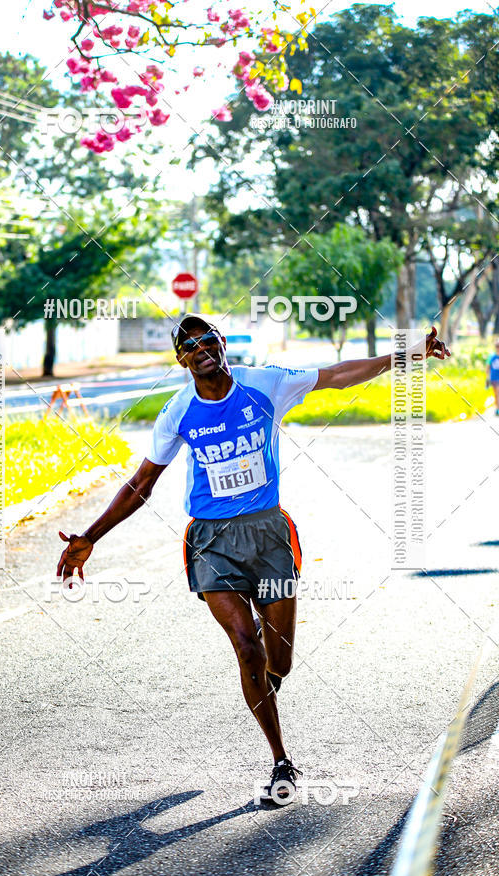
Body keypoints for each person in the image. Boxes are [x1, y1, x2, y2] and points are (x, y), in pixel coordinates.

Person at [57, 316, 450, 802]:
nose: (201, 349)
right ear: (181, 359)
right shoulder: (179, 411)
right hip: (211, 541)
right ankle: (281, 762)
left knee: (277, 660)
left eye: (208, 339)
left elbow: (337, 374)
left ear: (222, 344)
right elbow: (142, 483)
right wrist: (91, 535)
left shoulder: (264, 382)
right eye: (190, 346)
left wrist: (406, 355)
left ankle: (265, 669)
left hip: (267, 534)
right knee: (247, 648)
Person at [486, 339, 499, 416]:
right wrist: (487, 378)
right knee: (496, 394)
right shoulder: (492, 356)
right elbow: (487, 367)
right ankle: (497, 408)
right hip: (494, 378)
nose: (498, 348)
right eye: (497, 346)